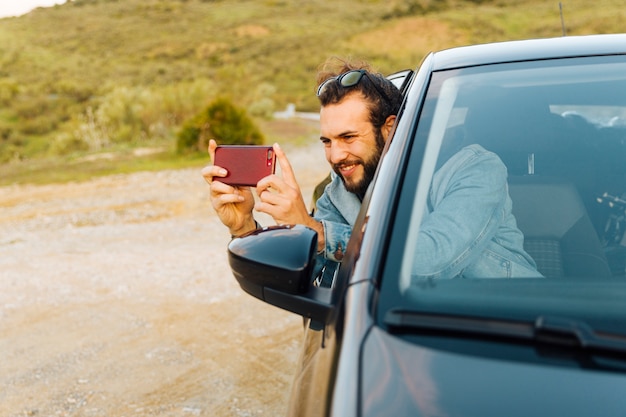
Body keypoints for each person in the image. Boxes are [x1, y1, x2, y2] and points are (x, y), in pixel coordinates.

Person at [202, 57, 541, 285]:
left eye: (348, 137)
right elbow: (308, 281)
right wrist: (246, 228)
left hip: (525, 331)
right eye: (327, 141)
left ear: (390, 129)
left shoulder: (473, 169)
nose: (336, 155)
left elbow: (433, 260)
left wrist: (315, 230)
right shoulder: (336, 194)